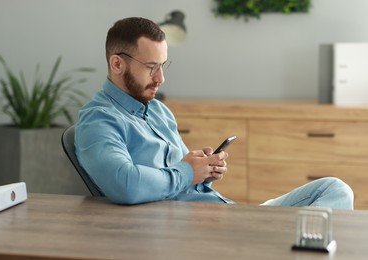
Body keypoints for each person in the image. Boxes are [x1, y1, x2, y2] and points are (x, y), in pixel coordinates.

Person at [75, 17, 354, 209]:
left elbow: (181, 172)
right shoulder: (99, 121)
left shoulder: (159, 111)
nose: (161, 78)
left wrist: (203, 169)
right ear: (117, 64)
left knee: (334, 189)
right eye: (151, 66)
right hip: (196, 231)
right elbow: (126, 185)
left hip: (224, 210)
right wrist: (188, 172)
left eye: (163, 65)